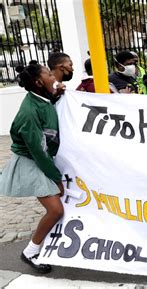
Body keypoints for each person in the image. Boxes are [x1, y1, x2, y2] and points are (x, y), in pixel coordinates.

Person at [0, 61, 65, 274]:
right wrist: (56, 178)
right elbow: (37, 150)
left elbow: (47, 106)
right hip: (32, 162)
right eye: (48, 73)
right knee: (55, 210)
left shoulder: (41, 98)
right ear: (38, 82)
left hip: (41, 160)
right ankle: (30, 251)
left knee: (56, 208)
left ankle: (48, 245)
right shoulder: (28, 113)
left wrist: (56, 95)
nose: (53, 76)